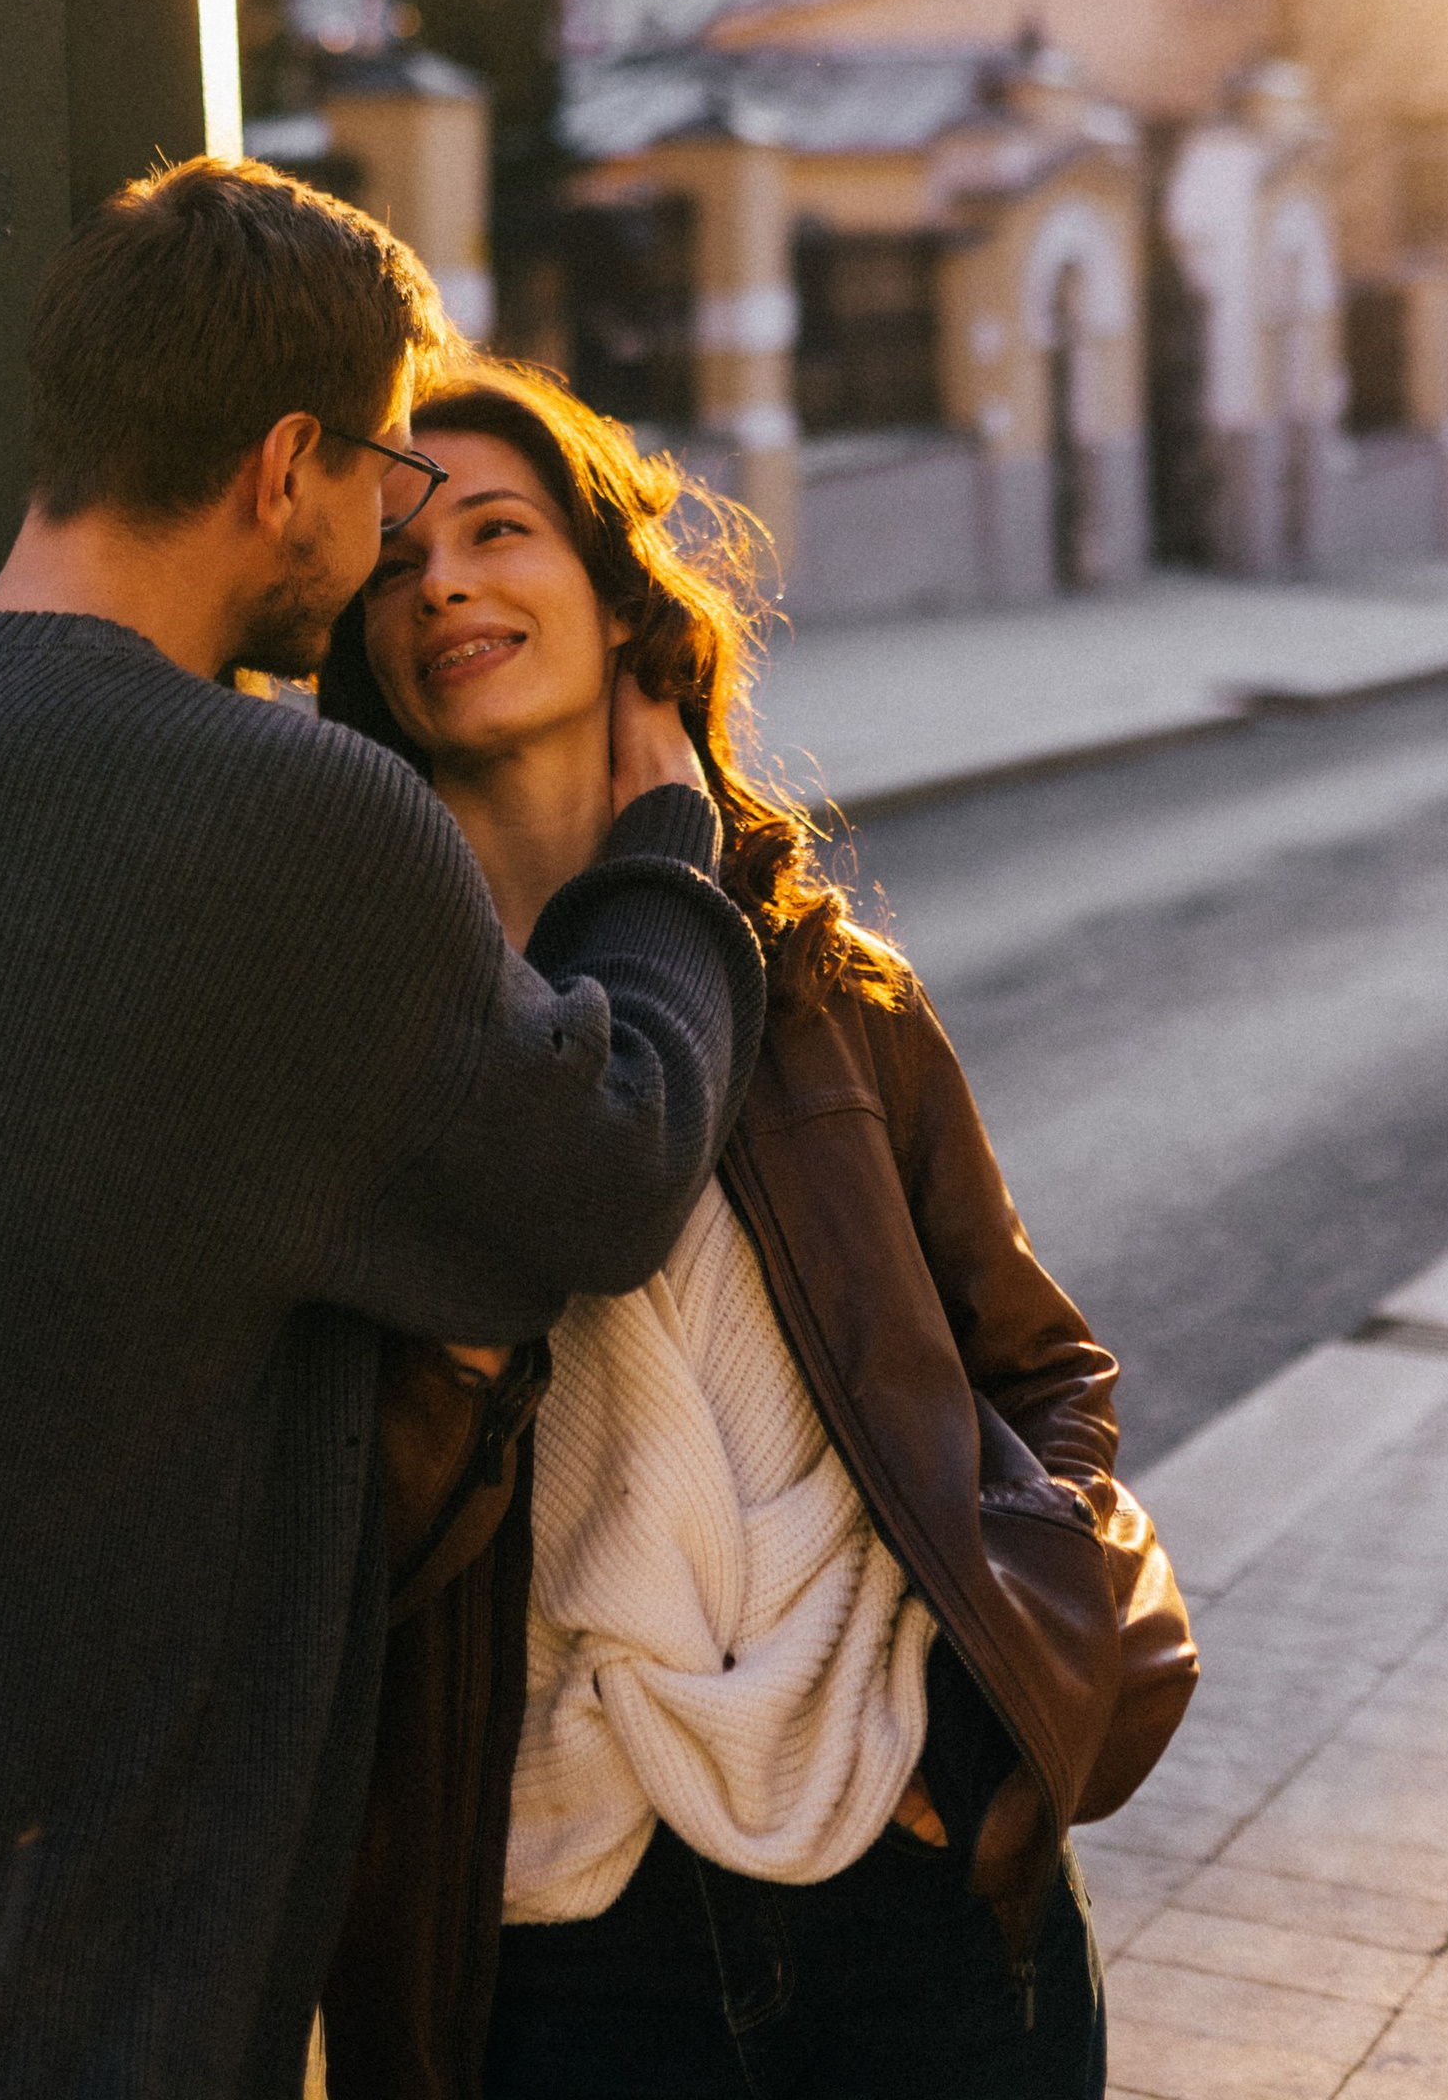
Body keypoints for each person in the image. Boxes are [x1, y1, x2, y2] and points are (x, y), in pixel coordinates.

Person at [0, 164, 765, 2100]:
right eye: (386, 472)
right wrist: (658, 858)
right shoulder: (279, 820)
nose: (396, 534)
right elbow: (609, 1158)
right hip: (23, 2005)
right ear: (284, 464)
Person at [314, 362, 1197, 2100]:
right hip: (560, 1928)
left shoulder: (818, 989)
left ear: (617, 595)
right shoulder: (368, 1036)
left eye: (501, 531)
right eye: (397, 558)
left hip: (910, 1875)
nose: (447, 584)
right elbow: (338, 1515)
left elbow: (1040, 1368)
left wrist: (985, 1724)